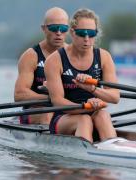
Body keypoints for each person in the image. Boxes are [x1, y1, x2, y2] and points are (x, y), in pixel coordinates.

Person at [44, 8, 120, 143]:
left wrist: (92, 89)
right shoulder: (54, 60)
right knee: (84, 119)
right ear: (72, 33)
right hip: (64, 117)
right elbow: (58, 101)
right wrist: (86, 106)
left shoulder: (104, 57)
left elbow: (115, 97)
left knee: (103, 115)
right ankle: (86, 158)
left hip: (95, 111)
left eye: (91, 34)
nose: (86, 39)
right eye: (81, 33)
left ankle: (114, 151)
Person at [14, 7, 69, 124]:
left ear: (68, 30)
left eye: (63, 29)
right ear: (44, 29)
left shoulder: (73, 55)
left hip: (65, 111)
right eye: (53, 28)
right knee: (47, 113)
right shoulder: (31, 56)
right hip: (37, 111)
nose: (58, 33)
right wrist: (54, 97)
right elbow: (19, 95)